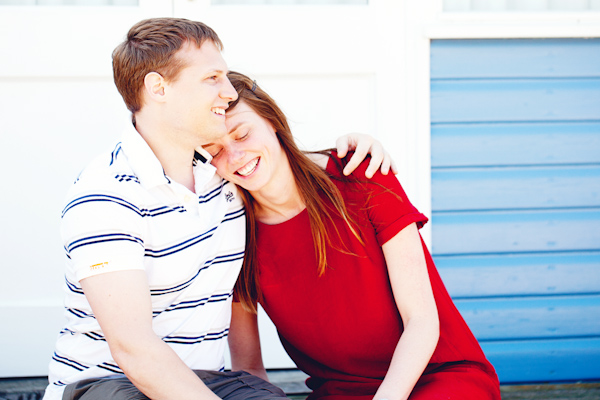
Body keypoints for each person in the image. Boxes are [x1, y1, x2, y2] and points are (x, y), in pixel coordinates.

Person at [43, 18, 393, 400]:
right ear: (158, 87)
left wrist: (354, 149)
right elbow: (134, 350)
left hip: (210, 382)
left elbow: (283, 166)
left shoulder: (224, 176)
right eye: (212, 78)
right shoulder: (106, 197)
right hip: (108, 385)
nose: (228, 92)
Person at [202, 71, 502, 400]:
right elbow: (250, 369)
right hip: (341, 392)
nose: (234, 155)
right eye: (213, 150)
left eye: (242, 134)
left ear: (271, 120)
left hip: (439, 375)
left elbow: (421, 319)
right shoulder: (232, 234)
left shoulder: (360, 174)